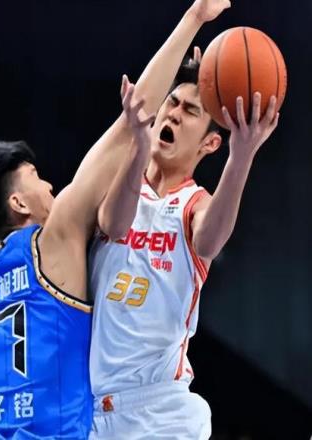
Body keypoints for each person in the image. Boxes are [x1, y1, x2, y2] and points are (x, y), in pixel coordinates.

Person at [88, 9, 281, 440]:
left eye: (190, 110)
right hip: (96, 413)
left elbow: (210, 239)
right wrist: (137, 148)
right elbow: (113, 223)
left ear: (210, 142)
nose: (173, 114)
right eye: (171, 103)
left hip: (161, 410)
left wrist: (241, 156)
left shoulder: (193, 205)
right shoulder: (119, 186)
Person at [0, 71, 155, 436]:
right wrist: (187, 32)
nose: (49, 184)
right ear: (18, 203)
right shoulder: (49, 244)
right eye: (35, 175)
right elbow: (130, 122)